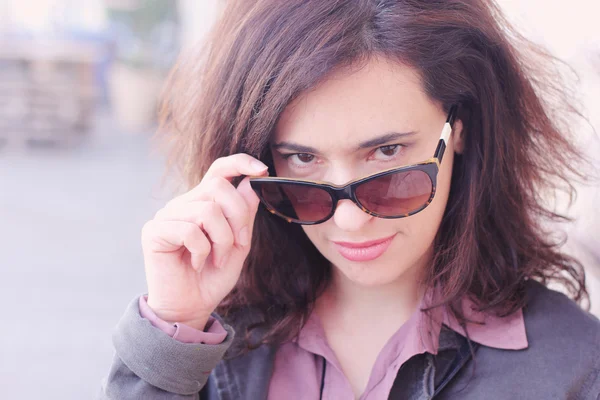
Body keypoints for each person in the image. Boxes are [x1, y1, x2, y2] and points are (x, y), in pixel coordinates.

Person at [98, 1, 600, 399]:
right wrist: (170, 335)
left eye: (386, 152)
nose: (349, 220)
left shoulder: (576, 368)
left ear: (459, 130)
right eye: (301, 159)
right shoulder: (207, 342)